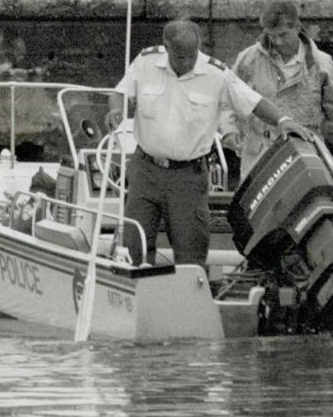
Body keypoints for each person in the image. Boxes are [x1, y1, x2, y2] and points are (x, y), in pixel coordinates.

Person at [105, 17, 307, 267]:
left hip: (187, 177)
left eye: (192, 55)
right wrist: (116, 110)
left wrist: (283, 120)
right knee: (134, 245)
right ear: (166, 47)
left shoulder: (216, 73)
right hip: (144, 171)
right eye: (180, 57)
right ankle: (137, 296)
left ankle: (188, 301)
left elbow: (252, 102)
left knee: (190, 250)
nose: (188, 62)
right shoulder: (145, 62)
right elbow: (121, 92)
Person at [229, 0, 333, 172]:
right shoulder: (248, 60)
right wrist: (228, 131)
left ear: (297, 27)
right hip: (259, 157)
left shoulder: (321, 63)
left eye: (283, 35)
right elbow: (228, 97)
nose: (277, 42)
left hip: (305, 154)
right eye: (271, 36)